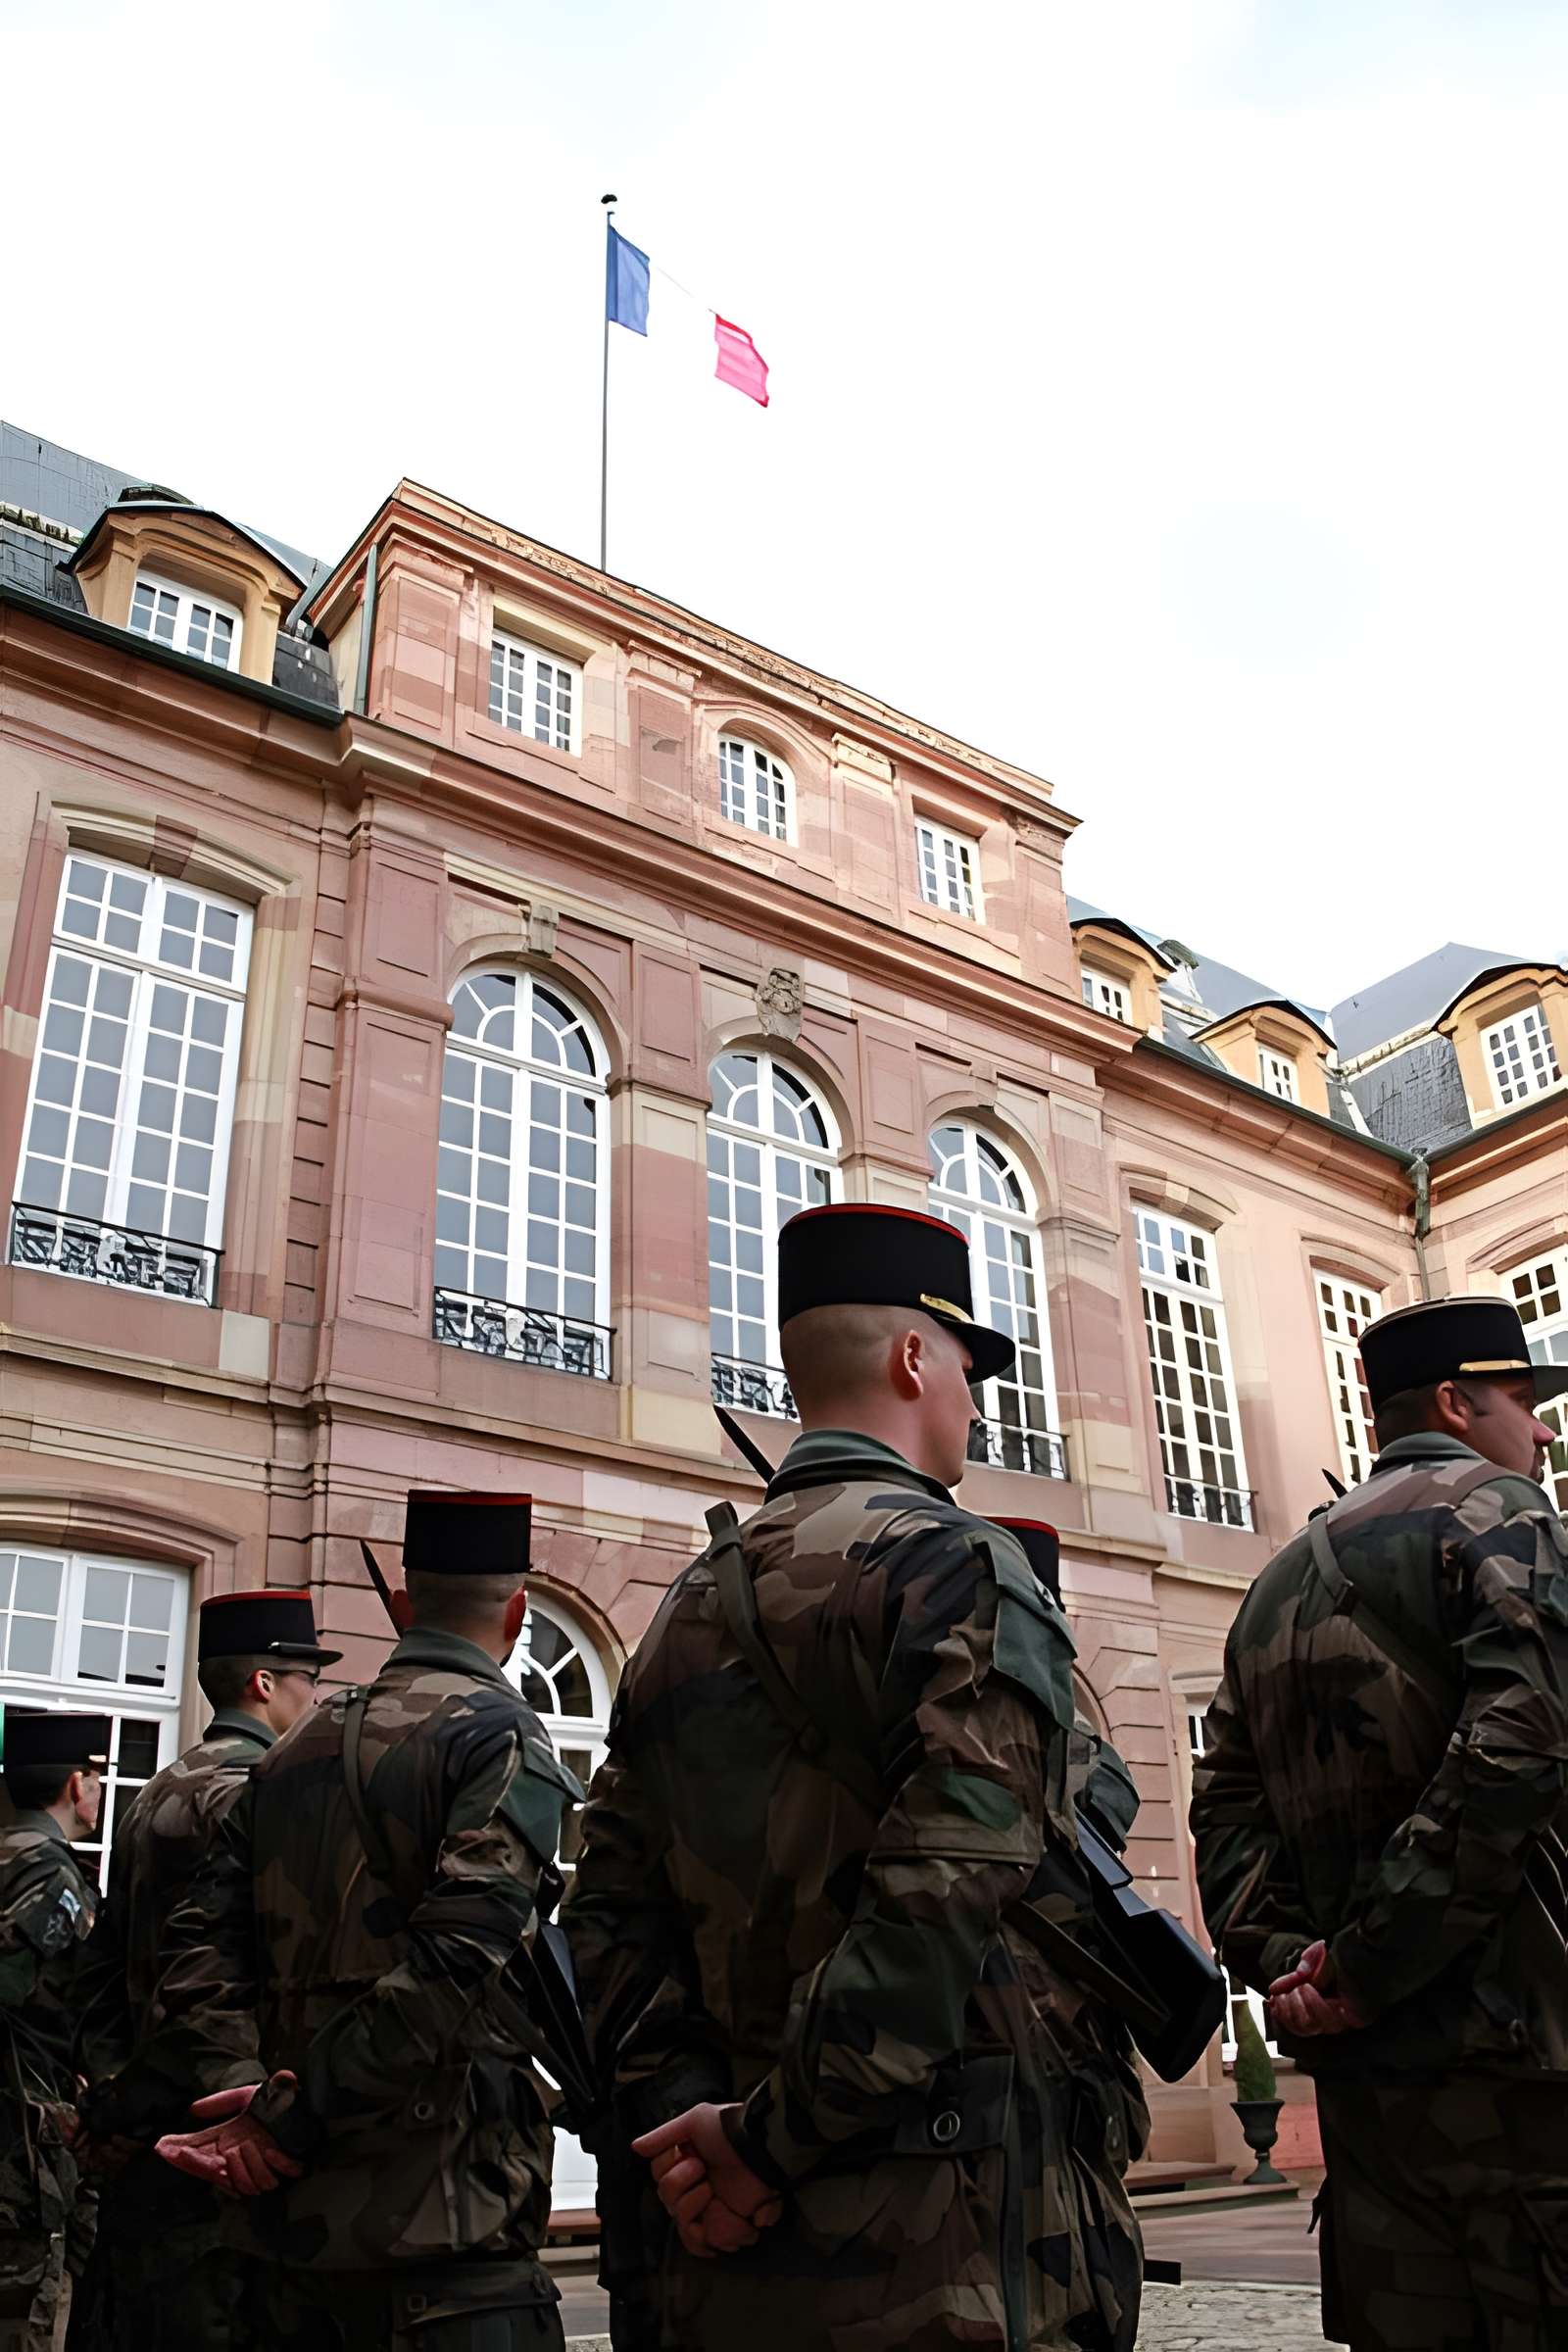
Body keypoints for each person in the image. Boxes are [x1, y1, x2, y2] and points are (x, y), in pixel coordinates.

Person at [567, 1202, 1141, 2352]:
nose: (974, 1402)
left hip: (728, 2254)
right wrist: (767, 2137)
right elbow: (942, 1897)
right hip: (944, 2240)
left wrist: (693, 2134)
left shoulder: (681, 1605)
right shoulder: (956, 1562)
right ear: (912, 1355)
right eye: (968, 1368)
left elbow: (607, 1917)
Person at [1190, 1294, 1568, 2352]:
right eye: (1522, 1399)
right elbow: (1519, 1748)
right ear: (1454, 1403)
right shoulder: (1504, 1514)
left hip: (1371, 2111)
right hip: (1527, 2089)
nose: (1541, 1428)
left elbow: (1220, 1808)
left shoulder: (1273, 1584)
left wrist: (1292, 1975)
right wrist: (1363, 1965)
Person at [149, 1493, 583, 2352]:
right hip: (444, 2238)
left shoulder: (291, 1749)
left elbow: (195, 1949)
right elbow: (461, 1959)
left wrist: (252, 2098)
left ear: (402, 1606)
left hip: (287, 2244)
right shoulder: (502, 1735)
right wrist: (286, 2115)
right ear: (520, 1612)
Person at [69, 1589, 339, 2352]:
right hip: (228, 2132)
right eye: (306, 1678)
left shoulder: (152, 1794)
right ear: (265, 1683)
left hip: (147, 2130)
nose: (312, 1695)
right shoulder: (263, 1791)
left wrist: (114, 2097)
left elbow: (96, 1968)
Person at [0, 1709, 110, 2352]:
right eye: (97, 1777)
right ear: (76, 1785)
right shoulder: (50, 1872)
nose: (97, 1789)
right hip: (21, 2130)